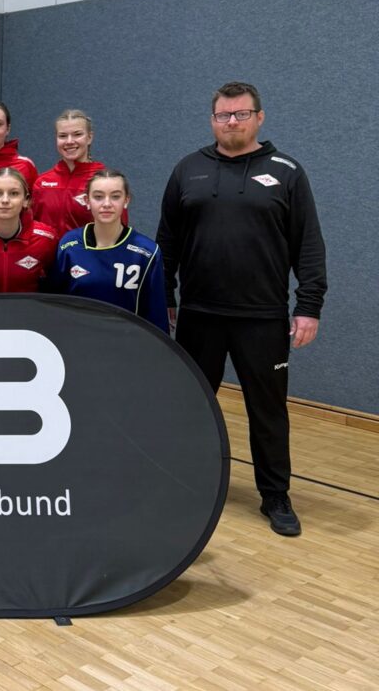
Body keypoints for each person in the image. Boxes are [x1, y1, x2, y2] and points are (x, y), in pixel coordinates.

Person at [156, 81, 327, 537]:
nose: (232, 122)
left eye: (241, 114)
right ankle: (183, 482)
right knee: (190, 405)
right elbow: (166, 244)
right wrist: (165, 298)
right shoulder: (187, 169)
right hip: (200, 315)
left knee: (267, 411)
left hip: (262, 317)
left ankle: (275, 496)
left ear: (259, 117)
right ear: (212, 119)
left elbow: (308, 246)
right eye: (223, 115)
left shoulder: (287, 171)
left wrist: (308, 306)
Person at [50, 169, 168, 332]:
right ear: (87, 201)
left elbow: (157, 316)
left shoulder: (147, 252)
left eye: (115, 196)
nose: (107, 204)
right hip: (77, 341)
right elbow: (54, 304)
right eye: (98, 197)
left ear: (126, 200)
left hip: (127, 343)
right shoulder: (69, 245)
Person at [32, 109, 125, 239]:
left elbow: (120, 233)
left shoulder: (105, 181)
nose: (69, 141)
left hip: (88, 258)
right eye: (63, 136)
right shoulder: (41, 183)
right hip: (49, 259)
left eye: (77, 134)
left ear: (89, 137)